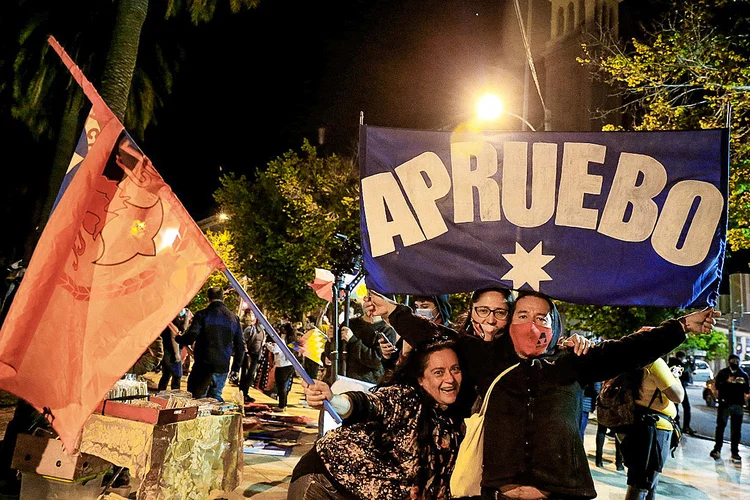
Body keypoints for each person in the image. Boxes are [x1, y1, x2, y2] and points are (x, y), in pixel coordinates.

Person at [367, 290, 717, 499]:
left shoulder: (574, 363)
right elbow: (434, 333)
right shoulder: (486, 359)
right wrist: (392, 311)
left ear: (555, 327)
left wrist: (682, 325)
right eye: (522, 315)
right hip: (497, 493)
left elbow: (629, 350)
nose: (532, 325)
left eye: (542, 318)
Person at [289, 336, 466, 500]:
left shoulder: (454, 421)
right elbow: (369, 404)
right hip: (325, 484)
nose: (449, 378)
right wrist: (334, 400)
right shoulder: (405, 398)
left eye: (455, 369)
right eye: (438, 372)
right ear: (421, 379)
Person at [619, 356, 684, 500]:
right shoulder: (654, 363)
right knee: (641, 483)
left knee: (648, 482)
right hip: (654, 429)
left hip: (636, 425)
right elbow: (678, 396)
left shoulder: (632, 360)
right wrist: (675, 376)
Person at [178, 287, 244, 401]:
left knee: (197, 400)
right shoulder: (234, 318)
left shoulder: (202, 315)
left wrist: (179, 338)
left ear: (208, 299)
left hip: (203, 366)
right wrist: (236, 368)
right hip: (222, 367)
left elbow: (191, 337)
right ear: (223, 298)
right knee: (215, 398)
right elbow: (241, 347)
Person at [710, 354, 749, 462]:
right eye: (733, 360)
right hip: (725, 403)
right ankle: (717, 449)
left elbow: (747, 390)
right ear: (729, 361)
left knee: (736, 429)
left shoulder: (743, 374)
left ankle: (735, 452)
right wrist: (727, 382)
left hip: (738, 404)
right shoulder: (723, 373)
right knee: (721, 426)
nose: (735, 363)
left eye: (737, 361)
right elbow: (717, 386)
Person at [341, 311, 397, 384]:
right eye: (368, 300)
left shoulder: (387, 331)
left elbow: (375, 361)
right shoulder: (349, 324)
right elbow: (334, 353)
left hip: (365, 383)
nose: (370, 306)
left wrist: (353, 340)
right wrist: (330, 341)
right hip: (341, 378)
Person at [158, 309, 188, 391]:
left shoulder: (176, 319)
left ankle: (160, 393)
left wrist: (186, 317)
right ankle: (174, 394)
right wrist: (177, 353)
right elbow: (173, 336)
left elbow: (183, 329)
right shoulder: (172, 321)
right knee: (177, 375)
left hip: (172, 350)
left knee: (167, 374)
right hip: (171, 350)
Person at [667, 350, 695, 435]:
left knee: (679, 406)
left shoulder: (673, 363)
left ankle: (679, 425)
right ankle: (681, 425)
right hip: (677, 387)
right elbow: (684, 371)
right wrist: (688, 364)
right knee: (683, 406)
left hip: (678, 386)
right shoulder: (676, 364)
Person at [267, 328, 295, 411]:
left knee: (281, 386)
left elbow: (275, 351)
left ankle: (282, 405)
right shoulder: (290, 341)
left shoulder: (281, 342)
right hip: (289, 365)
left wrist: (268, 345)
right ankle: (283, 404)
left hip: (282, 366)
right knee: (283, 386)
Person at [240, 311, 264, 403]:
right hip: (248, 355)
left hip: (256, 356)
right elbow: (243, 341)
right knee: (245, 375)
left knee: (251, 376)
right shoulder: (250, 329)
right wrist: (246, 352)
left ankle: (245, 392)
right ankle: (243, 393)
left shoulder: (261, 331)